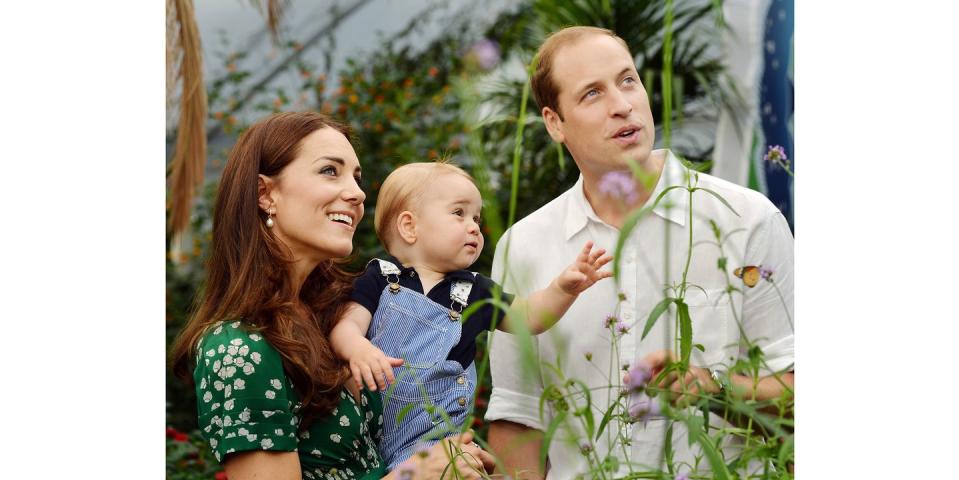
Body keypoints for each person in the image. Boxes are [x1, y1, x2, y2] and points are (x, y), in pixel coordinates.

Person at [483, 26, 795, 478]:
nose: (622, 104)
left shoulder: (747, 219)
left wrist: (717, 389)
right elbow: (519, 417)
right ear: (555, 123)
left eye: (627, 80)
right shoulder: (524, 244)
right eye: (592, 93)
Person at [169, 111, 495, 480]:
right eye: (329, 171)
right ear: (265, 193)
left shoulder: (338, 317)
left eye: (357, 178)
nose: (357, 193)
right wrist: (414, 474)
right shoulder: (239, 348)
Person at [329, 161, 614, 470]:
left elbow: (530, 317)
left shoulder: (474, 290)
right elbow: (346, 326)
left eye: (477, 218)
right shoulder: (381, 278)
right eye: (459, 213)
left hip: (437, 443)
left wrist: (563, 288)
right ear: (410, 226)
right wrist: (358, 348)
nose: (474, 226)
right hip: (370, 435)